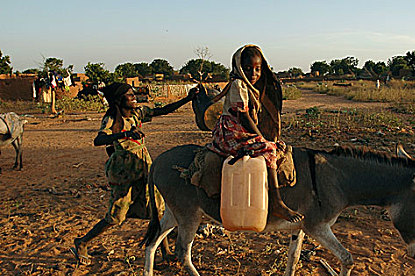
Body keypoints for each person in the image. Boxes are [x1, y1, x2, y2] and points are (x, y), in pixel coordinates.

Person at [71, 82, 198, 264]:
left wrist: (187, 99)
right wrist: (123, 135)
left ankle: (165, 252)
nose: (134, 98)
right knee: (116, 216)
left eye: (133, 94)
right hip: (124, 172)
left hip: (144, 166)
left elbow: (163, 110)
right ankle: (83, 242)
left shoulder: (138, 113)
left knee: (157, 210)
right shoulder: (112, 119)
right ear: (119, 99)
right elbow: (99, 140)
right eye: (129, 95)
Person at [207, 45, 303, 223]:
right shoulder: (238, 85)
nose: (253, 73)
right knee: (268, 149)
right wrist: (262, 138)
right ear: (239, 68)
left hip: (241, 130)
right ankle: (276, 201)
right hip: (231, 132)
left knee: (276, 145)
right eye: (248, 68)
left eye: (257, 69)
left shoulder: (251, 87)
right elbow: (243, 117)